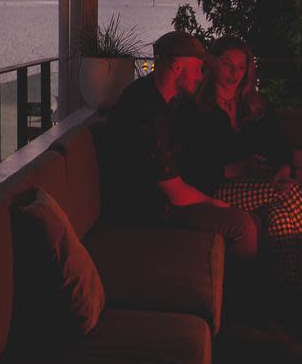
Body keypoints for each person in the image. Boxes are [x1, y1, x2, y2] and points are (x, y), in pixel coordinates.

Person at [180, 36, 302, 286]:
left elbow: (278, 147)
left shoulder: (255, 106)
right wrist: (239, 167)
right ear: (213, 64)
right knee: (287, 192)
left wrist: (283, 168)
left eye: (241, 67)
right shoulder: (197, 110)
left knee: (282, 219)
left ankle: (291, 295)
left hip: (257, 184)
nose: (234, 73)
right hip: (216, 188)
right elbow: (194, 167)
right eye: (227, 65)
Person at [100, 30, 258, 259]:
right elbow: (175, 193)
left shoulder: (164, 100)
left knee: (247, 218)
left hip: (161, 201)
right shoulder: (147, 110)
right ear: (176, 68)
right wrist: (215, 203)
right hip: (145, 211)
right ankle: (239, 295)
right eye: (196, 68)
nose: (200, 75)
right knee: (242, 226)